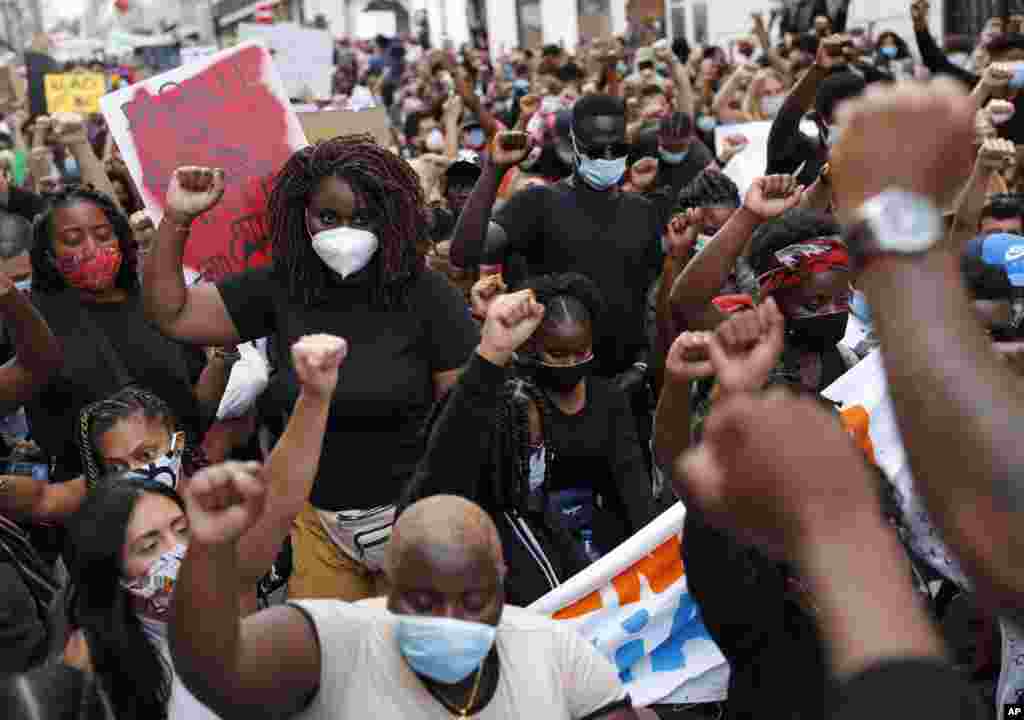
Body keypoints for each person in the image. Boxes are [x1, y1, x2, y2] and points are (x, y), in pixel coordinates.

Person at [141, 142, 479, 602]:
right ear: (302, 215)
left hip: (412, 522)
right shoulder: (282, 285)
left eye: (362, 218)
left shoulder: (429, 296)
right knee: (324, 645)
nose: (344, 233)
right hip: (316, 524)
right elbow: (173, 314)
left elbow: (461, 422)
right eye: (328, 217)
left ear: (389, 217)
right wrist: (178, 218)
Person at [170, 490, 653, 719]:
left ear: (502, 582)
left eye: (473, 601)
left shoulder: (554, 651)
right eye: (424, 602)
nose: (450, 621)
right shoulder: (333, 644)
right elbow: (217, 670)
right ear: (389, 586)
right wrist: (207, 554)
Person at [65, 333, 342, 718]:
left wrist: (314, 398)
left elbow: (277, 501)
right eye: (149, 545)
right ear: (113, 568)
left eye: (181, 530)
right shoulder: (88, 660)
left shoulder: (223, 581)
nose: (175, 552)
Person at [404, 279, 654, 605]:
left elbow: (633, 490)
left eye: (580, 353)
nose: (570, 364)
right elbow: (452, 444)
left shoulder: (606, 402)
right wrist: (492, 350)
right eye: (558, 354)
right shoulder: (511, 406)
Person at [451, 96, 662, 387]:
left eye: (617, 149)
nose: (607, 157)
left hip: (623, 385)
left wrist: (641, 365)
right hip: (550, 383)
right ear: (573, 144)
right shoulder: (537, 204)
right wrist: (494, 169)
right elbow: (463, 253)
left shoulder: (643, 212)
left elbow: (651, 296)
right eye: (596, 149)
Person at [23, 186, 229, 482]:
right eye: (73, 240)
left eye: (103, 235)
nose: (92, 249)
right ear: (49, 254)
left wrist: (224, 356)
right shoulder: (34, 322)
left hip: (178, 483)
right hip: (94, 496)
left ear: (120, 238)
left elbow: (194, 417)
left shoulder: (158, 304)